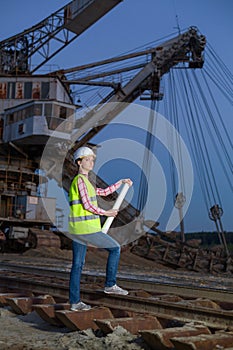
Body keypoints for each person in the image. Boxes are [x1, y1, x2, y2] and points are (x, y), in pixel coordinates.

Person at [68, 146, 133, 311]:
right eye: (88, 160)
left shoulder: (86, 182)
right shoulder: (81, 181)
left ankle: (75, 303)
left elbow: (103, 192)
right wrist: (107, 212)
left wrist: (121, 182)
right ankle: (110, 284)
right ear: (79, 162)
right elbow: (87, 205)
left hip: (77, 229)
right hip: (87, 229)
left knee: (77, 265)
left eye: (92, 160)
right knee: (115, 248)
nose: (91, 163)